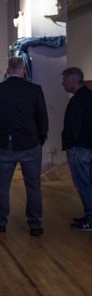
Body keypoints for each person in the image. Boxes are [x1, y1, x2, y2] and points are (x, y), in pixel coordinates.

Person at [0, 57, 48, 236]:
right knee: (33, 186)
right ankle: (34, 224)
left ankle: (0, 221)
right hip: (30, 144)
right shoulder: (34, 90)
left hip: (5, 144)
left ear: (7, 70)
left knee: (3, 185)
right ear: (23, 70)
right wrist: (41, 138)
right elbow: (42, 117)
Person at [61, 67, 92, 231]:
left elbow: (73, 126)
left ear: (73, 80)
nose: (62, 83)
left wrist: (70, 145)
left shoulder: (77, 101)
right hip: (88, 146)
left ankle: (90, 218)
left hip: (79, 149)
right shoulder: (89, 96)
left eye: (64, 80)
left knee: (83, 184)